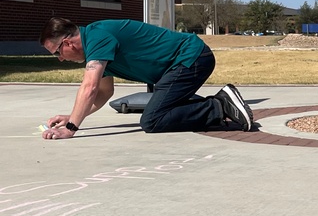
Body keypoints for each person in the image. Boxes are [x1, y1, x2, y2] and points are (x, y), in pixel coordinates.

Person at [39, 17, 254, 139]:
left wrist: (71, 130)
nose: (59, 59)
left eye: (57, 52)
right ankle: (221, 104)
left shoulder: (96, 38)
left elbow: (89, 88)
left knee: (152, 120)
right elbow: (104, 93)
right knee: (160, 111)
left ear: (68, 43)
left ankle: (220, 106)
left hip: (191, 58)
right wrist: (72, 116)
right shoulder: (95, 45)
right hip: (181, 64)